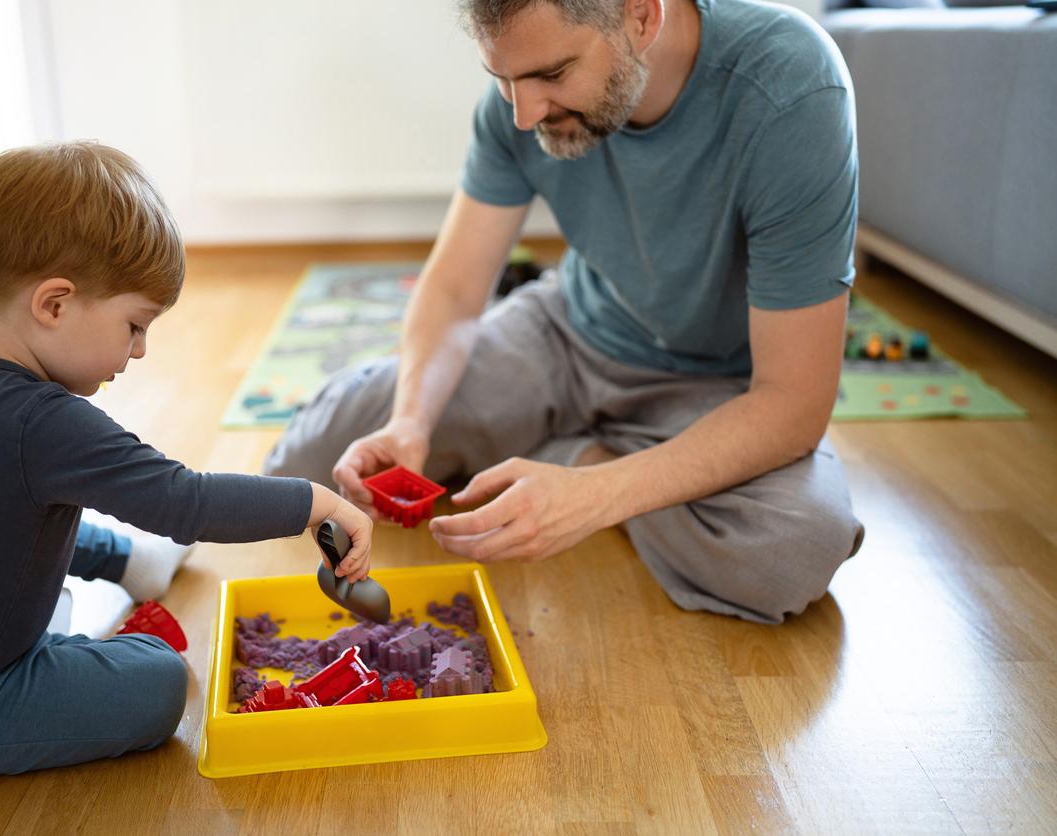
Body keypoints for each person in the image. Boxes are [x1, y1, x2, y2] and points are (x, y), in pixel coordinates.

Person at [265, 0, 865, 624]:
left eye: (551, 75)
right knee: (317, 461)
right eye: (502, 79)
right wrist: (412, 418)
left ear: (640, 16)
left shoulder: (791, 88)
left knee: (791, 549)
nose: (524, 115)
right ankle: (565, 459)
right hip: (567, 333)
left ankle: (574, 456)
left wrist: (597, 495)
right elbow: (455, 288)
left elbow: (794, 402)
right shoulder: (519, 101)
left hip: (712, 388)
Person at [0, 142, 373, 776]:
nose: (140, 351)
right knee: (160, 678)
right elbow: (185, 501)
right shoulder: (45, 422)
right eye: (135, 325)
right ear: (54, 305)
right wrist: (317, 503)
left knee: (12, 518)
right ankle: (97, 605)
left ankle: (129, 564)